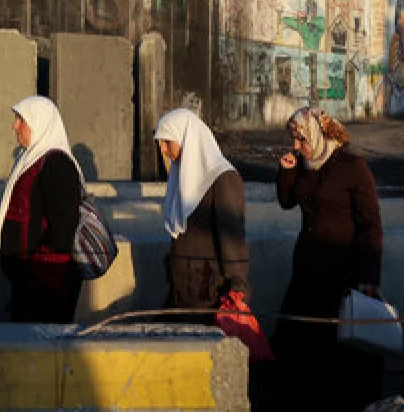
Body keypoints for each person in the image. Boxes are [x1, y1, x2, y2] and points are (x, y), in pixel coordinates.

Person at [272, 107, 385, 412]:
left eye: (301, 138)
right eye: (294, 139)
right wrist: (287, 171)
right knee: (295, 344)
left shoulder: (353, 167)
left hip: (341, 275)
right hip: (306, 272)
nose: (297, 145)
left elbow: (370, 226)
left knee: (336, 351)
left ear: (319, 135)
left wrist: (369, 278)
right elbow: (287, 201)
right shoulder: (307, 164)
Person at [0, 96, 85, 324]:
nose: (15, 126)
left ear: (39, 123)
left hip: (46, 284)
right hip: (29, 281)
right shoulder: (29, 160)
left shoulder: (57, 164)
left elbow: (63, 229)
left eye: (21, 120)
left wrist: (38, 270)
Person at [154, 108, 249, 322]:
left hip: (211, 294)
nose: (162, 149)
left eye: (167, 142)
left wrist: (237, 288)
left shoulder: (223, 179)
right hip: (184, 290)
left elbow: (232, 236)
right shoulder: (182, 176)